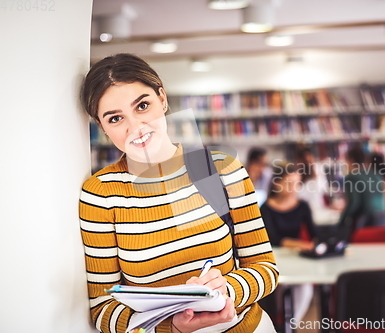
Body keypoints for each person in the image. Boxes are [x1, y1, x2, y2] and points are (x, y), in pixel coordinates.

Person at [79, 53, 278, 333]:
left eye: (143, 106)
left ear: (162, 99)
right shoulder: (101, 194)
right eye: (115, 118)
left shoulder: (222, 168)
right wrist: (172, 328)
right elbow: (102, 306)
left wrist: (228, 289)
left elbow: (265, 268)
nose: (135, 127)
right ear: (102, 127)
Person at [259, 163, 316, 323]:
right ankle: (275, 323)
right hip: (275, 259)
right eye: (289, 183)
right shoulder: (266, 208)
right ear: (277, 183)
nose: (293, 188)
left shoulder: (303, 206)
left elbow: (315, 235)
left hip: (297, 259)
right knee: (275, 289)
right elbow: (273, 239)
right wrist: (300, 244)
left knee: (305, 287)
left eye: (297, 183)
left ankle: (289, 325)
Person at [337, 144, 385, 236]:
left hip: (363, 224)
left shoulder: (351, 177)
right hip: (382, 222)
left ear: (351, 160)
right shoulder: (376, 176)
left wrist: (341, 222)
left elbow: (354, 203)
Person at [296, 147, 336, 224]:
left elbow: (323, 189)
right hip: (307, 212)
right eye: (307, 160)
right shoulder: (298, 177)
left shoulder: (318, 170)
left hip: (319, 210)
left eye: (311, 159)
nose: (310, 162)